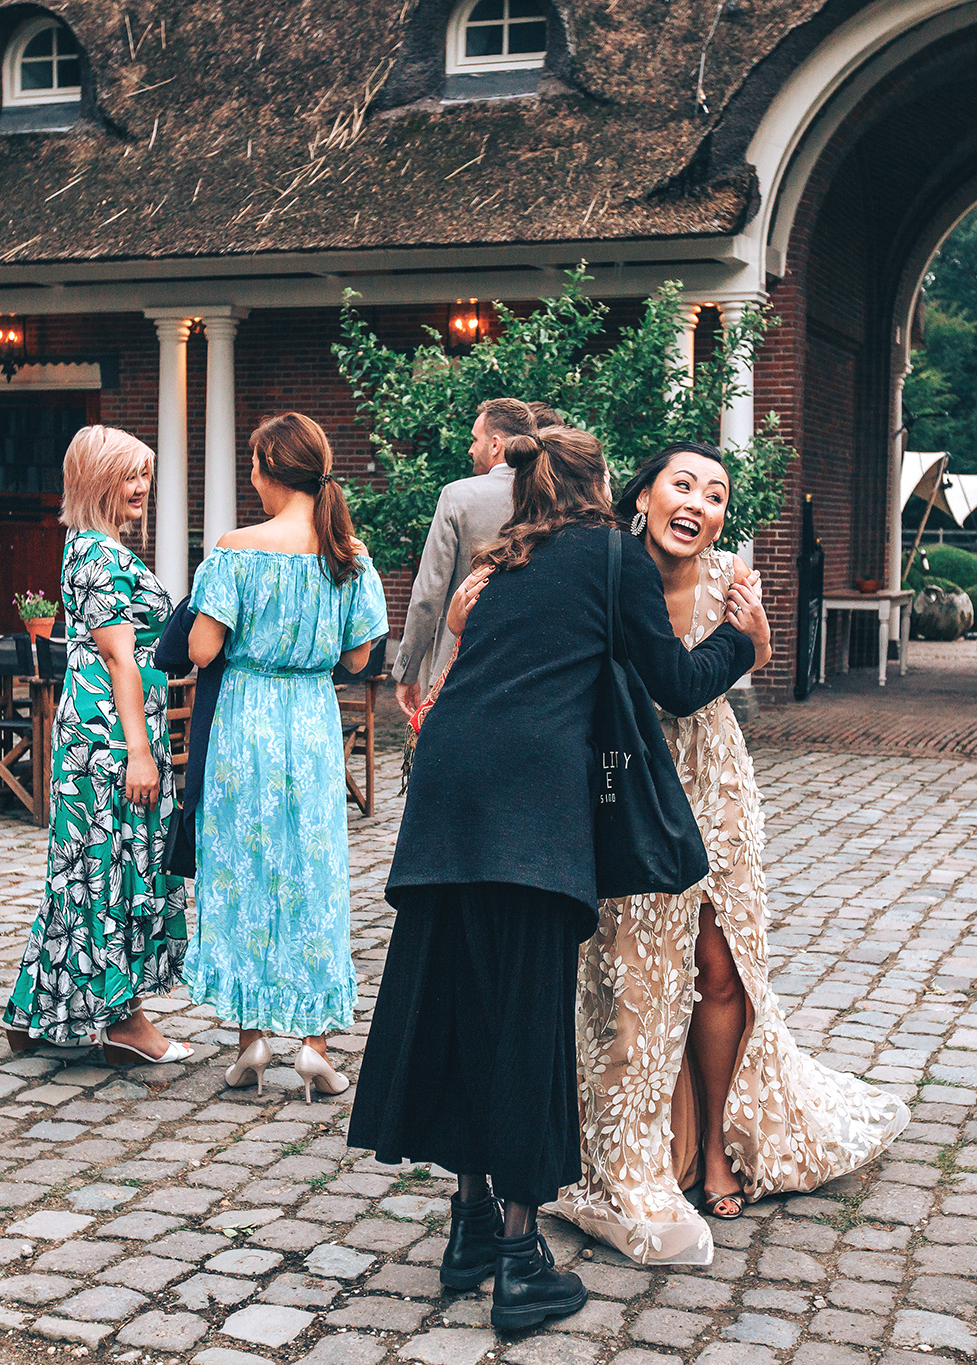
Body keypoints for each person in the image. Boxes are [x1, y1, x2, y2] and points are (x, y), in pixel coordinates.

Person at [348, 424, 760, 1331]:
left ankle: (467, 1227)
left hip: (447, 800)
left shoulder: (503, 560)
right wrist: (744, 640)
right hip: (528, 811)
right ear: (606, 486)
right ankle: (521, 1261)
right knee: (528, 1024)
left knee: (463, 1003)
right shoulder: (613, 557)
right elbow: (679, 681)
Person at [550, 442, 911, 1264]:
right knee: (635, 976)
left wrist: (756, 637)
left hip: (713, 786)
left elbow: (760, 652)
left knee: (722, 969)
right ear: (641, 496)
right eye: (684, 484)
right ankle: (622, 1145)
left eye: (715, 495)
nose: (700, 503)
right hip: (630, 789)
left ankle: (712, 1143)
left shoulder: (731, 576)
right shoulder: (602, 570)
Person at [185, 411, 387, 1102]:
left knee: (244, 870)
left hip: (244, 722)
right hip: (310, 722)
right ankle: (316, 1046)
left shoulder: (236, 548)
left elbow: (202, 650)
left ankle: (250, 1042)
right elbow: (359, 658)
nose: (250, 476)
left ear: (269, 470)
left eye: (252, 463)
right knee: (314, 876)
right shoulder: (348, 555)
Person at [2, 426, 191, 1066]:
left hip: (100, 726)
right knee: (109, 871)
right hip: (111, 734)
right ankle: (123, 1021)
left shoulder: (92, 548)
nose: (141, 488)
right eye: (128, 477)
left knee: (84, 869)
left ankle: (35, 1012)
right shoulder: (98, 556)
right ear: (96, 481)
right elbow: (118, 658)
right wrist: (140, 751)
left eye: (145, 476)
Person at [393, 398, 533, 719]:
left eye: (475, 439)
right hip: (531, 668)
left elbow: (428, 595)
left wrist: (407, 671)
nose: (471, 449)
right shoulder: (556, 497)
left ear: (495, 444)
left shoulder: (457, 496)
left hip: (460, 663)